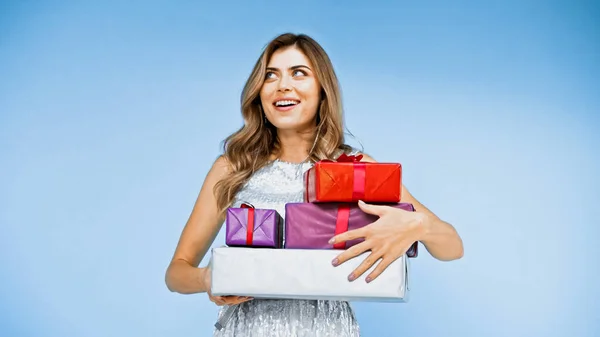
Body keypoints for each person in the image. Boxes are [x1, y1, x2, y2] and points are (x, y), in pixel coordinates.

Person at [165, 32, 464, 336]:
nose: (283, 85)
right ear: (259, 92)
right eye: (271, 75)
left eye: (299, 73)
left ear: (322, 90)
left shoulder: (357, 168)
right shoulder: (232, 168)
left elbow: (452, 246)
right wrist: (207, 279)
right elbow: (176, 273)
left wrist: (419, 225)